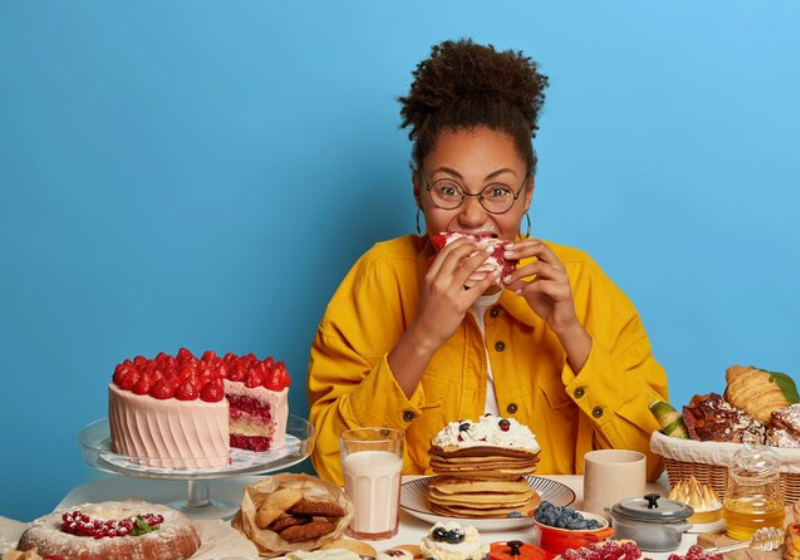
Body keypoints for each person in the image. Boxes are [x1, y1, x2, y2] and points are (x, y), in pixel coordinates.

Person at [307, 39, 668, 484]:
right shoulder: (379, 277)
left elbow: (653, 461)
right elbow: (332, 463)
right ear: (418, 190)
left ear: (527, 193)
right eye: (448, 189)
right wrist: (423, 336)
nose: (473, 216)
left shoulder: (582, 282)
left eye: (498, 192)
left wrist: (571, 332)